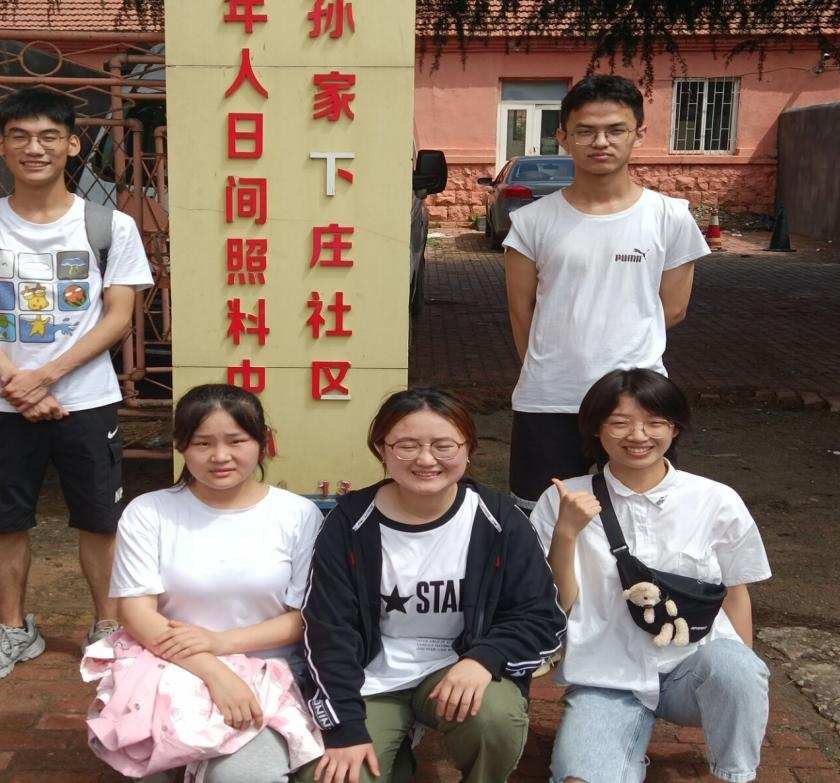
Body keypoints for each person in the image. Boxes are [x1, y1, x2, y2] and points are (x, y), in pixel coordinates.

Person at [0, 87, 154, 683]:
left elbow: (118, 317)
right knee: (3, 520)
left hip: (86, 399)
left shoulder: (110, 226)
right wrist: (17, 384)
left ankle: (107, 627)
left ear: (72, 144)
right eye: (21, 137)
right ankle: (13, 629)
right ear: (0, 146)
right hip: (0, 403)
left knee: (99, 520)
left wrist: (47, 377)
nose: (36, 148)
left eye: (50, 136)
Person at [299, 388, 567, 783]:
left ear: (468, 449)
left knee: (495, 719)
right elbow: (328, 628)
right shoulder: (350, 522)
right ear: (382, 449)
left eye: (444, 446)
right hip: (371, 679)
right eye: (407, 446)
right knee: (330, 776)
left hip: (458, 670)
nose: (426, 459)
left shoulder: (499, 519)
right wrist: (345, 727)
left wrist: (484, 658)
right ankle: (396, 756)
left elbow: (540, 615)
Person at [532, 368, 771, 783]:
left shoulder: (715, 500)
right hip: (607, 676)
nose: (638, 435)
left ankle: (736, 774)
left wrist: (737, 682)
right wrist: (566, 533)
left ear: (674, 428)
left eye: (654, 422)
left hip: (691, 669)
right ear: (596, 429)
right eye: (620, 422)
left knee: (738, 668)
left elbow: (735, 591)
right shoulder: (562, 499)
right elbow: (558, 606)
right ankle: (622, 754)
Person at [503, 73, 710, 511]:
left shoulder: (669, 217)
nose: (601, 142)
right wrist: (550, 372)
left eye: (616, 130)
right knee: (542, 515)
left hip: (638, 403)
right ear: (563, 137)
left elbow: (673, 309)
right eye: (585, 131)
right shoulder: (531, 222)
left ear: (639, 135)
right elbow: (522, 312)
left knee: (642, 514)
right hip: (549, 400)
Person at [111, 384, 324, 783]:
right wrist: (215, 671)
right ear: (181, 446)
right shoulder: (149, 512)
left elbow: (303, 618)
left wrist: (220, 642)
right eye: (202, 443)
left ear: (262, 442)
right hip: (170, 665)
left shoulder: (298, 514)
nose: (220, 456)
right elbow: (137, 612)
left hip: (270, 672)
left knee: (240, 778)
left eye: (236, 441)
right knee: (149, 766)